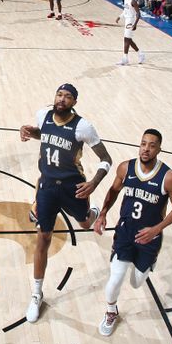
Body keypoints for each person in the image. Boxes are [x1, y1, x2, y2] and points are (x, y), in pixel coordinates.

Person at [19, 84, 112, 322]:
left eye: (68, 97)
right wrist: (31, 132)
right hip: (48, 187)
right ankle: (37, 294)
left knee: (84, 224)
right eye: (59, 95)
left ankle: (92, 212)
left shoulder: (83, 127)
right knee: (44, 238)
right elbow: (47, 135)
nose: (62, 99)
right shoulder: (43, 115)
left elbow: (106, 159)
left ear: (75, 102)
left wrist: (93, 182)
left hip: (73, 188)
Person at [94, 129, 172, 336]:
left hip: (149, 236)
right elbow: (114, 190)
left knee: (136, 283)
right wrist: (103, 213)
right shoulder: (126, 168)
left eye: (152, 145)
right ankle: (111, 311)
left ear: (159, 149)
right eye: (143, 143)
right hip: (125, 231)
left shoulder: (168, 177)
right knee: (115, 278)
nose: (146, 148)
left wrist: (156, 229)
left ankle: (148, 263)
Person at [115, 0, 145, 65]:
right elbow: (125, 11)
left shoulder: (133, 1)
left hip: (131, 21)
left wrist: (135, 24)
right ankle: (140, 54)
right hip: (127, 20)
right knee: (129, 40)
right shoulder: (125, 0)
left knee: (126, 39)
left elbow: (138, 14)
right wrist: (119, 17)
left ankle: (125, 58)